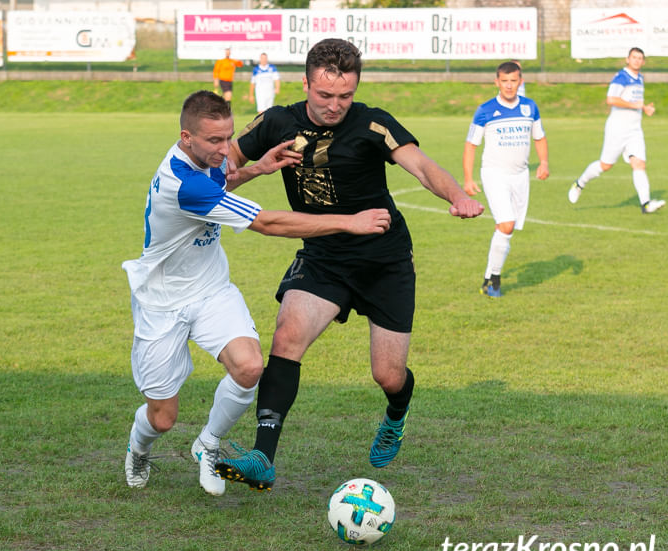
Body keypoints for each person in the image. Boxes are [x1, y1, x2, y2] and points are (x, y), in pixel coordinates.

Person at [214, 38, 484, 491]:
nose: (335, 105)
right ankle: (263, 455)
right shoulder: (277, 121)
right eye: (324, 96)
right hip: (324, 257)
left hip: (385, 260)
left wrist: (457, 196)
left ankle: (396, 414)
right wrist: (252, 169)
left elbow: (420, 165)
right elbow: (222, 172)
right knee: (287, 335)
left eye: (345, 96)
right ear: (305, 83)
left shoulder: (373, 123)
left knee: (388, 374)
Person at [122, 90, 393, 495]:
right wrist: (348, 222)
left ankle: (208, 445)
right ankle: (139, 449)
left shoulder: (202, 159)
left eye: (227, 137)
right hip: (161, 302)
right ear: (186, 137)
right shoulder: (182, 185)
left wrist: (259, 167)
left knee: (250, 368)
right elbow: (267, 223)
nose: (224, 148)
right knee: (162, 418)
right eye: (214, 141)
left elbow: (223, 179)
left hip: (211, 290)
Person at [463, 61, 549, 298]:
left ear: (520, 82)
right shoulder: (485, 110)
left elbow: (539, 138)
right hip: (494, 174)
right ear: (497, 82)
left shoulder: (530, 108)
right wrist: (468, 178)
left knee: (505, 229)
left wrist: (543, 163)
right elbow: (471, 145)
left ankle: (488, 277)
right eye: (505, 81)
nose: (509, 86)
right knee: (507, 223)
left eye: (514, 81)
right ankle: (495, 281)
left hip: (520, 176)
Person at [568, 47, 665, 214]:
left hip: (635, 130)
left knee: (639, 164)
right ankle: (580, 183)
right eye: (634, 57)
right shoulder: (621, 77)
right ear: (627, 59)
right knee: (605, 165)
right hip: (617, 129)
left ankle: (646, 204)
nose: (637, 60)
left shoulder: (639, 77)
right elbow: (611, 99)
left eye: (640, 58)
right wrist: (635, 105)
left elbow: (635, 101)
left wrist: (644, 108)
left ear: (643, 61)